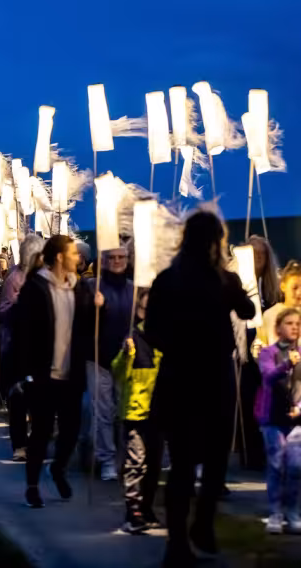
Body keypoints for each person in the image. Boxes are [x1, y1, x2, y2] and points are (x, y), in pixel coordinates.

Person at [145, 211, 255, 566]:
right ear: (216, 241)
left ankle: (176, 543)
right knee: (216, 459)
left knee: (180, 465)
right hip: (213, 380)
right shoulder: (223, 280)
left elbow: (152, 332)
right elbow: (249, 311)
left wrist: (176, 346)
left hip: (177, 378)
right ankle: (203, 524)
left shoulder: (166, 280)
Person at [11, 234, 97, 509]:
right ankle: (33, 486)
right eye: (73, 253)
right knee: (41, 431)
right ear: (59, 257)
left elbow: (88, 327)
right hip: (44, 374)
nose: (78, 258)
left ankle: (58, 468)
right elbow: (23, 332)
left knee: (71, 430)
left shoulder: (79, 287)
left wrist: (98, 307)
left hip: (72, 374)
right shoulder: (36, 287)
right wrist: (26, 373)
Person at [112, 290, 163, 534]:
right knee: (136, 462)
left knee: (154, 464)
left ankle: (147, 507)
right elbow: (118, 374)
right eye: (145, 309)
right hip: (136, 411)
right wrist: (125, 354)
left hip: (160, 410)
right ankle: (133, 510)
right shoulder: (133, 338)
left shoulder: (167, 337)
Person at [85, 247, 135, 481]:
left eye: (121, 257)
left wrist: (132, 337)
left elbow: (139, 320)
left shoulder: (133, 289)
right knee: (102, 413)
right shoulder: (91, 286)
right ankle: (106, 460)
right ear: (103, 260)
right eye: (111, 257)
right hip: (98, 358)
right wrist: (95, 307)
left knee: (124, 413)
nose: (116, 261)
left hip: (126, 359)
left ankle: (124, 459)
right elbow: (80, 319)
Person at [0, 234, 45, 461]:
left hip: (39, 348)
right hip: (15, 347)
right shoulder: (14, 277)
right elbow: (3, 311)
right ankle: (19, 444)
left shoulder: (45, 277)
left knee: (38, 400)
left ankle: (36, 443)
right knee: (18, 399)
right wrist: (20, 305)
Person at [255, 307, 301, 534]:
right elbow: (268, 377)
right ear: (278, 328)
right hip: (272, 416)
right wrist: (287, 365)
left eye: (298, 324)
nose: (294, 327)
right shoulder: (268, 353)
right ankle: (275, 512)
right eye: (289, 323)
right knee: (276, 465)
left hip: (296, 420)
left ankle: (292, 512)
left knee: (295, 467)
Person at [259, 261, 301, 347]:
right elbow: (261, 344)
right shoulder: (270, 314)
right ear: (283, 286)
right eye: (294, 288)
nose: (299, 292)